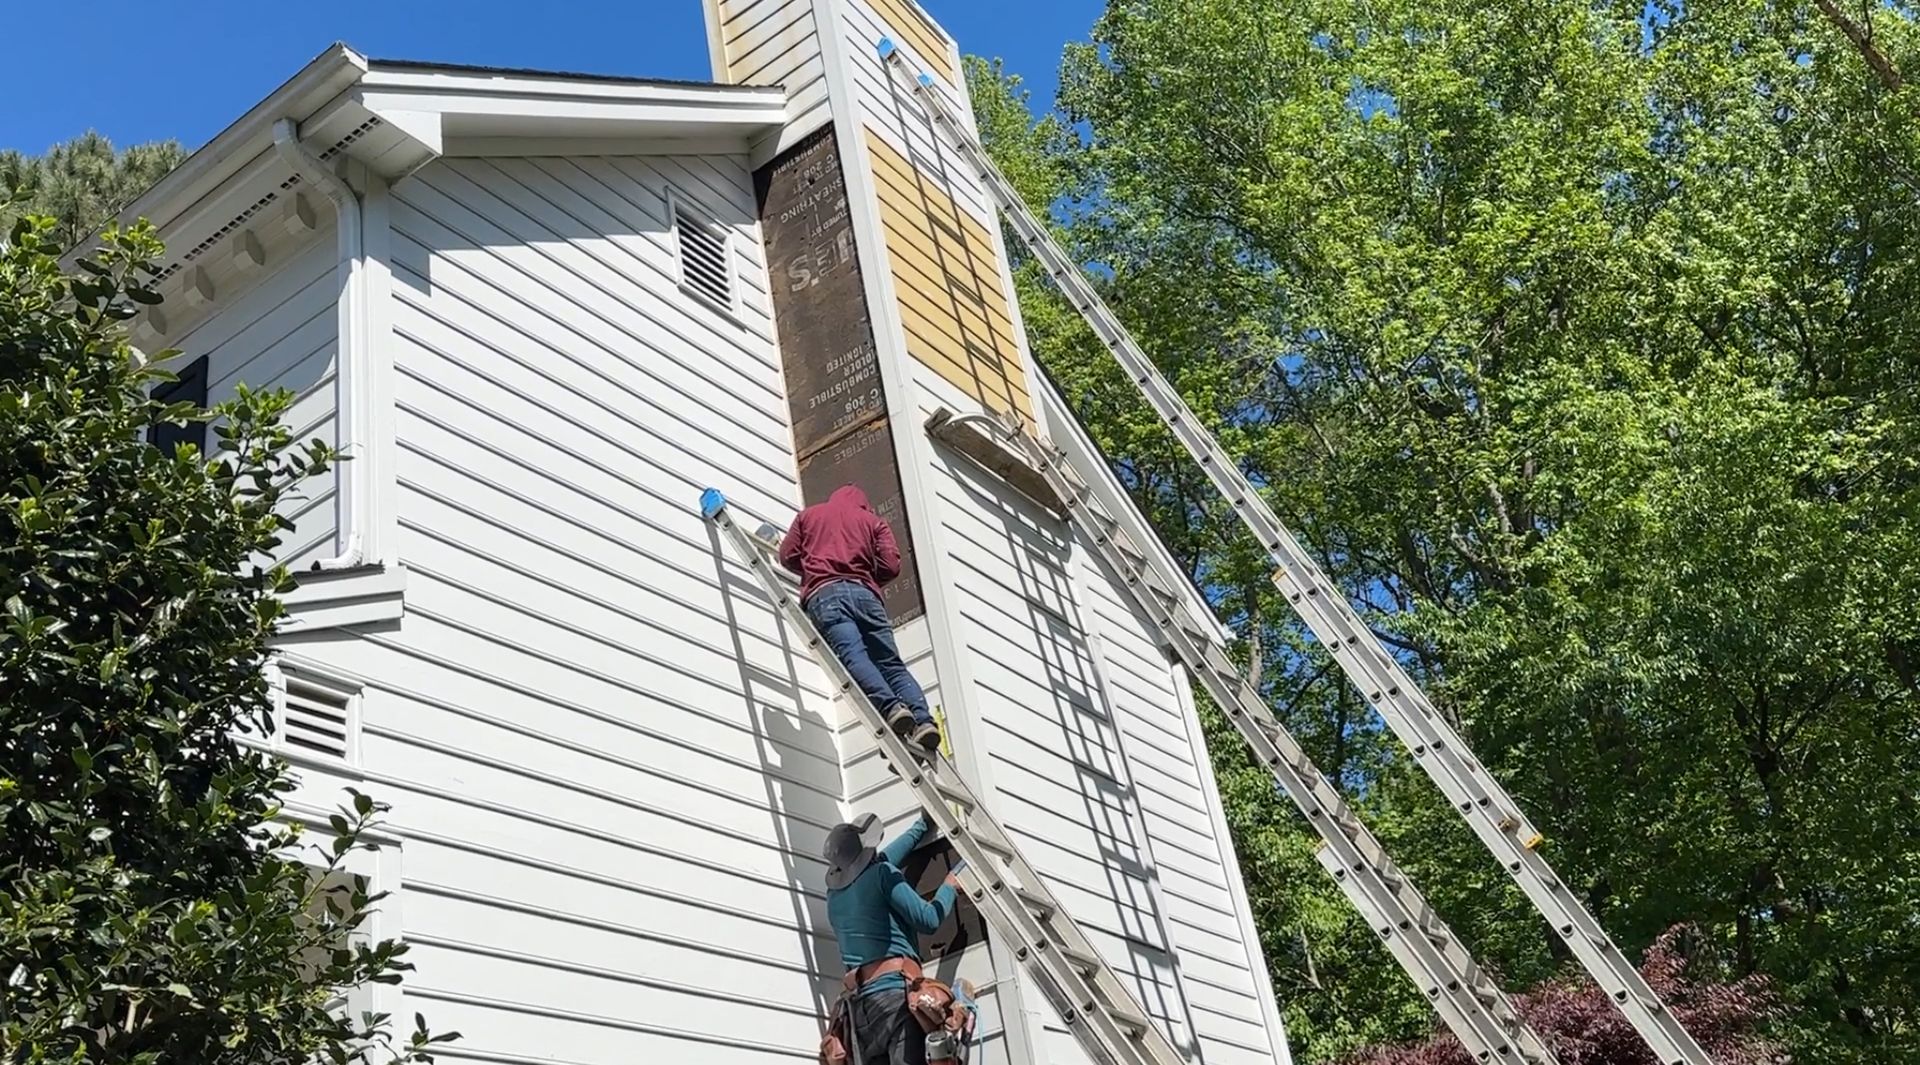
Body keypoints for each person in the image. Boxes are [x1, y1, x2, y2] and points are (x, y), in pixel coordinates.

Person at [780, 484, 940, 753]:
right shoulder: (873, 522)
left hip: (826, 594)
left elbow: (787, 556)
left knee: (854, 656)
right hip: (866, 596)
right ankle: (923, 721)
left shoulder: (809, 516)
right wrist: (866, 579)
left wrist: (811, 568)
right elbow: (891, 565)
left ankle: (891, 708)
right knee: (890, 663)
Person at [823, 811, 965, 1065]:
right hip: (894, 1002)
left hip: (861, 1014)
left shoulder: (834, 898)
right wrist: (948, 887)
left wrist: (921, 827)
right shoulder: (881, 874)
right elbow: (929, 920)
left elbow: (883, 861)